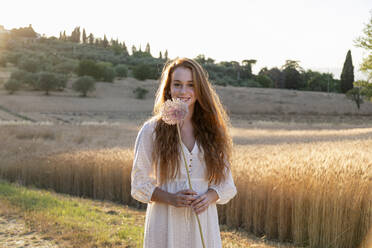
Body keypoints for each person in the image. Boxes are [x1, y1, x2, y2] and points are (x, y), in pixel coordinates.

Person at [131, 57, 237, 248]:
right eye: (177, 84)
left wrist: (209, 196)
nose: (183, 91)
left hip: (203, 224)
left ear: (200, 89)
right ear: (168, 88)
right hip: (165, 222)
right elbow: (139, 184)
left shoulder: (214, 130)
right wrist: (171, 198)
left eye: (191, 85)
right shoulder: (151, 130)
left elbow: (226, 184)